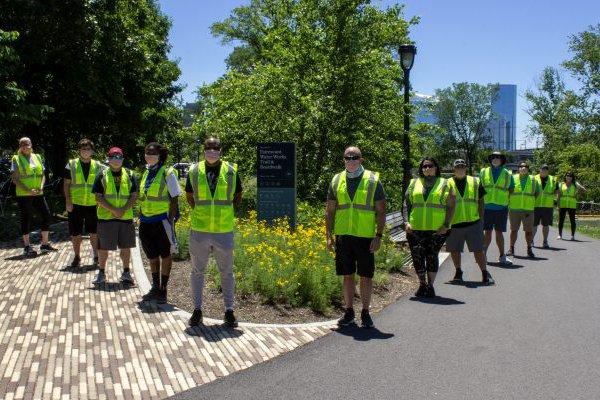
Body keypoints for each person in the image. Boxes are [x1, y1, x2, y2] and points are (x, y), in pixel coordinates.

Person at [326, 146, 386, 328]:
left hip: (366, 236)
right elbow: (329, 210)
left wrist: (378, 235)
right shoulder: (337, 180)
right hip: (344, 236)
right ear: (343, 159)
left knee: (366, 276)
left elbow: (381, 210)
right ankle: (349, 311)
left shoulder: (373, 180)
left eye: (354, 157)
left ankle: (365, 312)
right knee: (347, 275)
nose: (350, 160)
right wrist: (328, 235)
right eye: (347, 157)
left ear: (361, 159)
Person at [186, 137, 242, 328]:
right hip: (200, 230)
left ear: (220, 150)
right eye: (208, 148)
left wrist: (227, 212)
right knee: (197, 272)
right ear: (204, 150)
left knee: (226, 272)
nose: (212, 151)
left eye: (215, 148)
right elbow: (189, 196)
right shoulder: (194, 170)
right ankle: (197, 310)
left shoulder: (231, 171)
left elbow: (238, 195)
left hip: (223, 230)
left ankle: (229, 311)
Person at [403, 157, 455, 298]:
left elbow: (451, 206)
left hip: (437, 229)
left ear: (436, 167)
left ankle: (430, 285)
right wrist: (406, 222)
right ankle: (422, 284)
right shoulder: (414, 183)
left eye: (430, 166)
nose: (426, 168)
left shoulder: (445, 183)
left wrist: (446, 225)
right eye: (424, 167)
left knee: (431, 256)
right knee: (417, 257)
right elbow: (406, 204)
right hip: (415, 228)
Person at [139, 143, 181, 304]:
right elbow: (145, 196)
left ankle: (163, 289)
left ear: (160, 155)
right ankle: (155, 287)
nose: (149, 155)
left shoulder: (168, 172)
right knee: (152, 256)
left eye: (153, 153)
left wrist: (170, 220)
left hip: (161, 221)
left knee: (165, 255)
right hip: (146, 221)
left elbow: (175, 196)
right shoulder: (146, 172)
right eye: (147, 153)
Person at [91, 147, 138, 286]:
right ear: (109, 159)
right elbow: (98, 197)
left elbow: (134, 196)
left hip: (125, 217)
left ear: (122, 159)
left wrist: (122, 209)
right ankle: (101, 273)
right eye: (113, 157)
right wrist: (114, 210)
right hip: (106, 217)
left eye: (119, 157)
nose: (116, 160)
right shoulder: (101, 174)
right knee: (103, 247)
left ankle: (126, 272)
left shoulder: (130, 174)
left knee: (125, 246)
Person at [446, 159, 494, 285]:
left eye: (462, 166)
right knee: (455, 250)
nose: (460, 168)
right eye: (458, 166)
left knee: (478, 250)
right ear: (454, 169)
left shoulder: (476, 181)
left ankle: (484, 273)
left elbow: (481, 202)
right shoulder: (447, 183)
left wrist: (481, 220)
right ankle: (458, 271)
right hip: (455, 224)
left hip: (473, 222)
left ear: (466, 168)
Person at [10, 137, 56, 257]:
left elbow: (43, 175)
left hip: (38, 193)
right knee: (26, 218)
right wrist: (28, 190)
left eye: (27, 144)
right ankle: (27, 246)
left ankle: (45, 244)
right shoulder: (16, 159)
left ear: (31, 145)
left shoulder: (38, 157)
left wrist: (41, 187)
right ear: (20, 146)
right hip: (24, 194)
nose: (25, 146)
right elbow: (15, 179)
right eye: (22, 144)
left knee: (46, 215)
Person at [63, 139, 105, 268]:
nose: (85, 151)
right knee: (76, 233)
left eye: (88, 149)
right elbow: (66, 184)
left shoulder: (98, 165)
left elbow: (104, 184)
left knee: (94, 233)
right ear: (79, 150)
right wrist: (68, 201)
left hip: (93, 205)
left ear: (92, 150)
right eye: (83, 149)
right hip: (76, 204)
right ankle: (77, 256)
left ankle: (96, 256)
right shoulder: (71, 164)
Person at [480, 151, 514, 265]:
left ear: (502, 160)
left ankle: (502, 256)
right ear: (490, 159)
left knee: (499, 233)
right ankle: (483, 256)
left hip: (501, 208)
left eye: (498, 157)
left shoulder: (507, 174)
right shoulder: (483, 172)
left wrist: (503, 199)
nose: (495, 159)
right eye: (493, 157)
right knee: (487, 233)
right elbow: (479, 189)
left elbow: (511, 189)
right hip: (487, 207)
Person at [507, 162, 540, 258]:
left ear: (528, 169)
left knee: (529, 232)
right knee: (513, 231)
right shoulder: (512, 178)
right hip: (514, 209)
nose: (523, 168)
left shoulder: (533, 180)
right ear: (518, 169)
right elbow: (508, 191)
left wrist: (530, 201)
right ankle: (511, 249)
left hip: (528, 210)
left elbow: (537, 193)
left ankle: (529, 249)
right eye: (521, 167)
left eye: (525, 167)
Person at [532, 164, 558, 249]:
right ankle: (531, 240)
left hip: (547, 206)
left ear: (548, 171)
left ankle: (545, 241)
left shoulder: (553, 179)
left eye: (546, 169)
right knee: (534, 225)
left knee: (546, 225)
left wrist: (558, 203)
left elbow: (557, 192)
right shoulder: (533, 178)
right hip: (536, 205)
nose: (544, 171)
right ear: (540, 170)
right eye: (543, 169)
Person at [557, 171, 586, 240]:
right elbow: (558, 195)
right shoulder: (561, 184)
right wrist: (558, 205)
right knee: (561, 220)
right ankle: (559, 235)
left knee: (572, 221)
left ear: (572, 178)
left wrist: (578, 191)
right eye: (567, 175)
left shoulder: (575, 185)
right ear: (565, 176)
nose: (569, 177)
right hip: (563, 204)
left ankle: (572, 236)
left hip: (572, 205)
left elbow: (583, 190)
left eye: (570, 176)